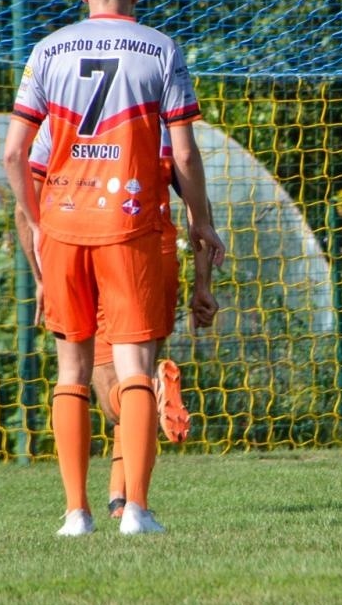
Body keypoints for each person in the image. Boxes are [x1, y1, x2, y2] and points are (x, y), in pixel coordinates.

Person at [3, 0, 223, 537]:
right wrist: (201, 220)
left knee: (71, 370)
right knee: (134, 365)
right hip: (130, 223)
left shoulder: (47, 51)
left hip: (64, 226)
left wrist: (38, 226)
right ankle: (137, 512)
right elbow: (181, 152)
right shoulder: (160, 48)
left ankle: (76, 514)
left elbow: (14, 155)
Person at [14, 122, 217, 519]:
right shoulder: (156, 119)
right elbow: (198, 206)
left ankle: (152, 395)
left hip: (86, 248)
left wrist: (41, 277)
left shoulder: (60, 119)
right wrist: (203, 284)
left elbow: (26, 207)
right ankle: (122, 501)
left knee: (111, 388)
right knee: (132, 374)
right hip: (153, 253)